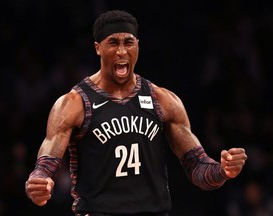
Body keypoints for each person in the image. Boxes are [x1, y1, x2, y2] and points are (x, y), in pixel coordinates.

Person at [25, 9, 248, 216]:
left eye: (128, 42)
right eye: (113, 42)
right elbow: (46, 164)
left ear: (138, 46)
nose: (122, 51)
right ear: (97, 47)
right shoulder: (74, 103)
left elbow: (198, 169)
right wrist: (38, 181)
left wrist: (223, 171)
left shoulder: (163, 99)